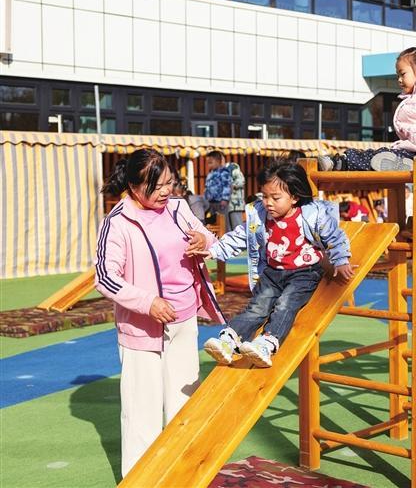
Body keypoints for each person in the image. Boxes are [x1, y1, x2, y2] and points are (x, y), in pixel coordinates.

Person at [94, 149, 224, 478]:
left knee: (185, 404)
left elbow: (210, 240)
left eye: (170, 182)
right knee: (142, 413)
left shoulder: (179, 208)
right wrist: (148, 302)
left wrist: (204, 240)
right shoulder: (117, 222)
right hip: (142, 329)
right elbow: (105, 277)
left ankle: (183, 475)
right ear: (134, 187)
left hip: (184, 319)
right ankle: (141, 479)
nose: (166, 191)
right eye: (157, 186)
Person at [195, 161, 354, 368]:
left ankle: (267, 343)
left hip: (304, 273)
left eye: (275, 198)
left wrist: (341, 260)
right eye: (264, 196)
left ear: (294, 197)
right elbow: (240, 236)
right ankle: (229, 340)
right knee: (257, 307)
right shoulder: (261, 215)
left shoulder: (312, 215)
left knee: (285, 304)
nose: (268, 203)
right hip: (273, 272)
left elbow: (335, 236)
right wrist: (215, 250)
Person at [318, 46, 416, 177]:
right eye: (398, 75)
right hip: (415, 152)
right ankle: (341, 161)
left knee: (378, 157)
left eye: (403, 74)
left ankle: (341, 163)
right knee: (377, 155)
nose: (399, 80)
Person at [204, 150, 245, 232]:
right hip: (216, 203)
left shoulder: (231, 167)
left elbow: (238, 182)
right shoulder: (212, 172)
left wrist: (226, 196)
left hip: (233, 204)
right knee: (220, 224)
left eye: (211, 162)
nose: (209, 165)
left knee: (234, 226)